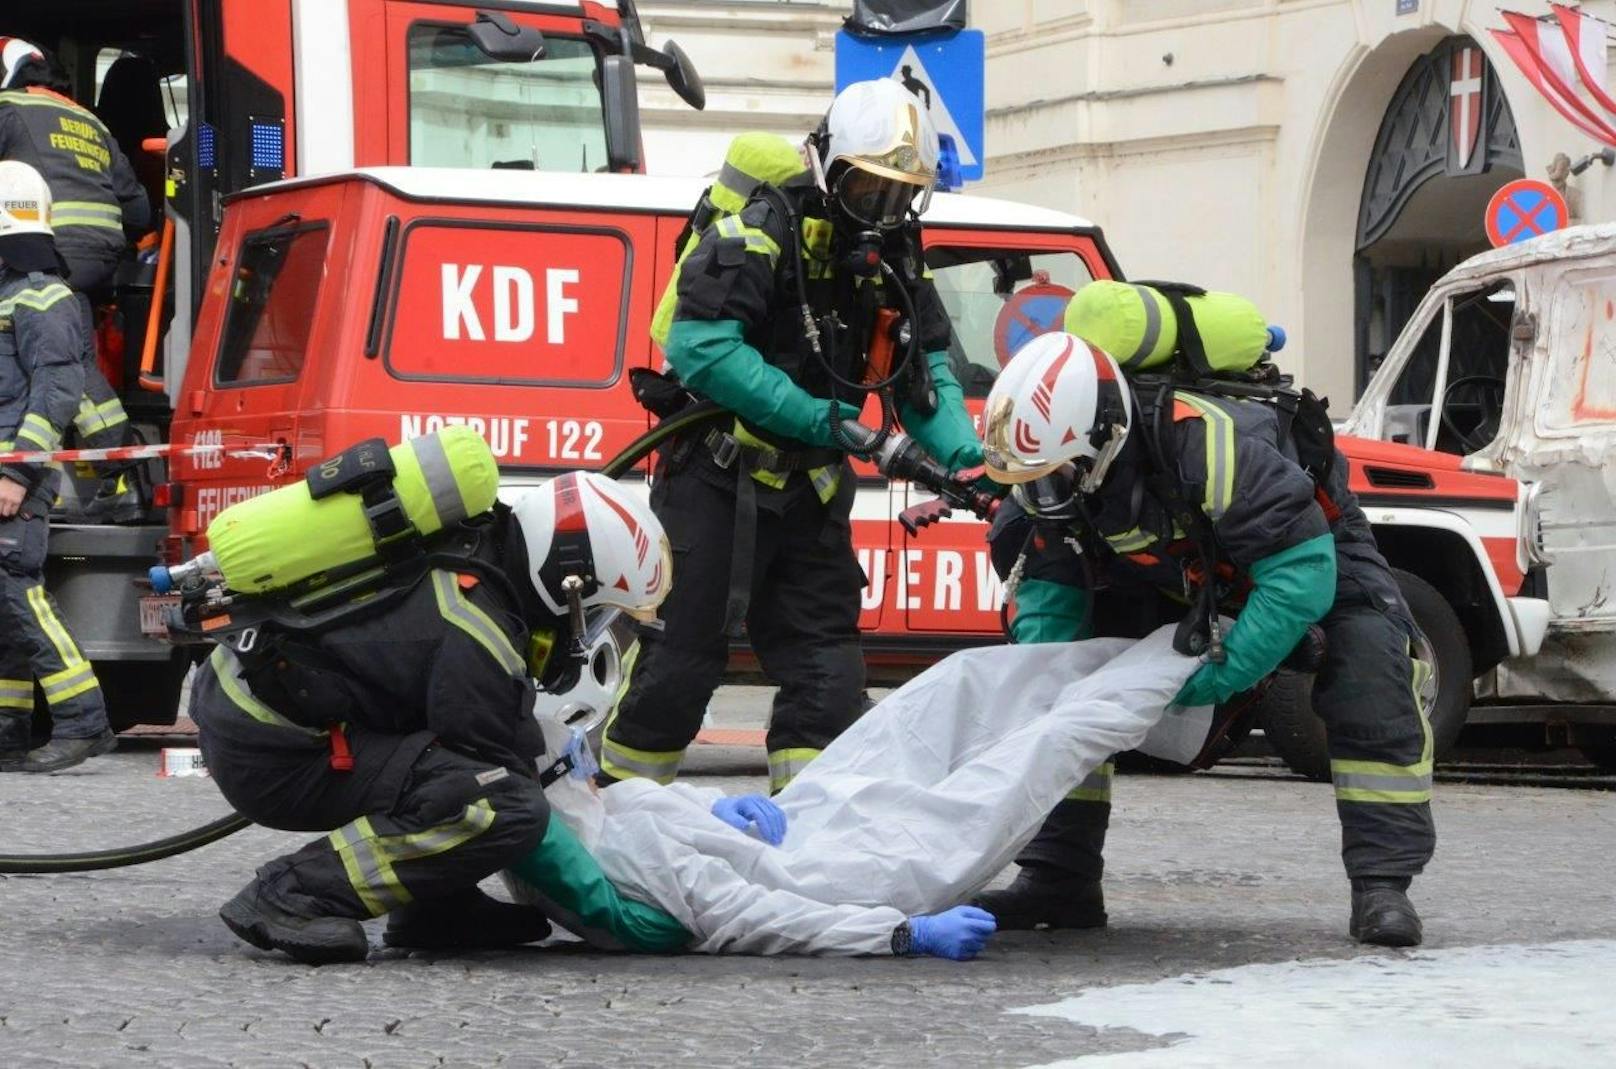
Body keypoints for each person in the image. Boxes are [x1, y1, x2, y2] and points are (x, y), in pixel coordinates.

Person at [971, 330, 1436, 947]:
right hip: (1176, 567)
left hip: (1309, 546)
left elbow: (1301, 576)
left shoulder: (1212, 451)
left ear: (1102, 440)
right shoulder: (1045, 479)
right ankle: (1061, 878)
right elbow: (1051, 597)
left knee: (1371, 663)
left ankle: (1383, 887)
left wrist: (1221, 675)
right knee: (1066, 685)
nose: (1046, 492)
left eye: (1057, 476)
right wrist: (1056, 679)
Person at [599, 78, 983, 794]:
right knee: (678, 668)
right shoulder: (760, 230)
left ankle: (803, 833)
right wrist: (821, 419)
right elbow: (702, 349)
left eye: (901, 194)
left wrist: (967, 457)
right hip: (715, 482)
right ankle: (616, 817)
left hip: (812, 491)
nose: (885, 210)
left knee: (828, 672)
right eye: (870, 189)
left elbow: (922, 367)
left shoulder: (896, 250)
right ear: (832, 165)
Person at [515, 623, 1199, 957]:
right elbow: (759, 916)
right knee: (1042, 750)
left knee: (957, 680)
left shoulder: (605, 816)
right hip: (854, 871)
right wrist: (902, 933)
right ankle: (1198, 651)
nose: (586, 756)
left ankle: (1169, 646)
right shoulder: (631, 856)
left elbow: (646, 808)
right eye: (575, 752)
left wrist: (715, 805)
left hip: (811, 820)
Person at [0, 39, 152, 520]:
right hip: (101, 256)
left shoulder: (6, 110)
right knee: (73, 361)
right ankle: (118, 475)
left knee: (41, 354)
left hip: (39, 245)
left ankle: (62, 474)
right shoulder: (90, 121)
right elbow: (139, 207)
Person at [0, 160, 115, 773]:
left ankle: (83, 721)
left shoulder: (41, 296)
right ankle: (8, 727)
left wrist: (18, 474)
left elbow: (57, 390)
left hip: (14, 476)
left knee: (16, 591)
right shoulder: (14, 295)